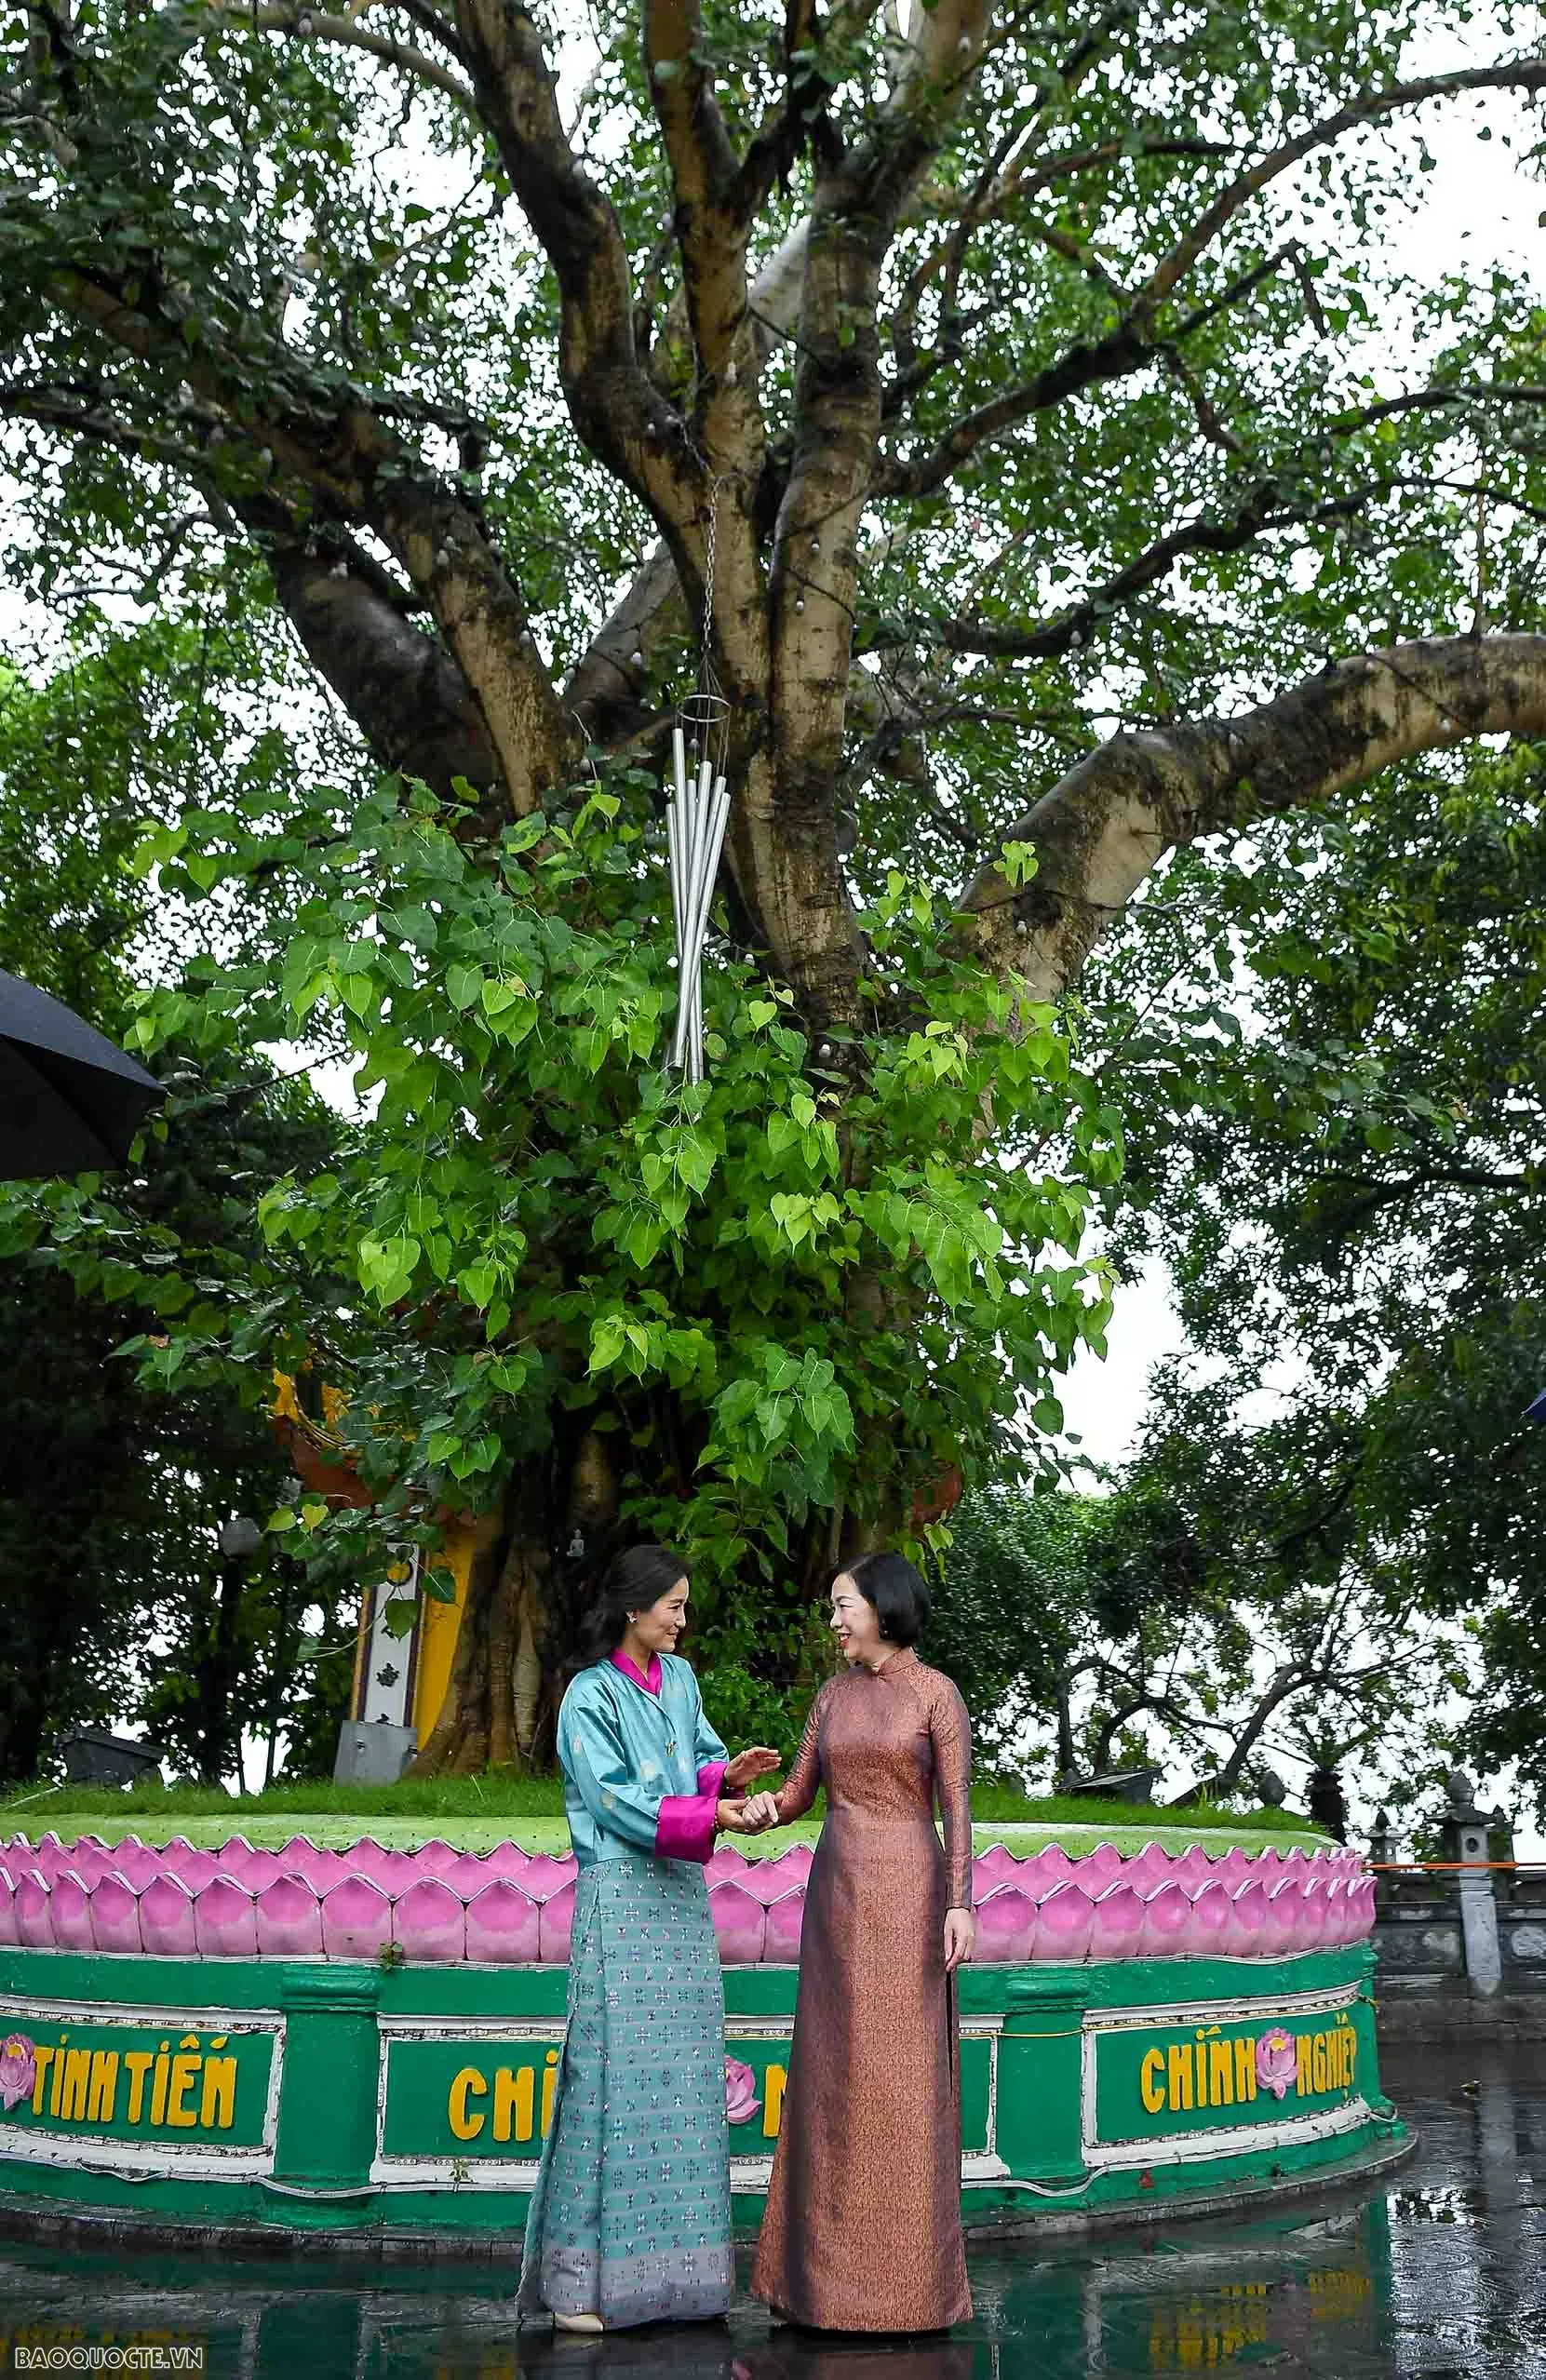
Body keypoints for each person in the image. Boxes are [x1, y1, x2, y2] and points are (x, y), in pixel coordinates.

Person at [518, 1543, 780, 2333]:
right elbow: (614, 1802)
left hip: (679, 1897)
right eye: (672, 1605)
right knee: (610, 2081)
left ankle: (682, 2284)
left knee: (682, 2080)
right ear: (633, 1607)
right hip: (620, 1898)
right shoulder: (586, 1697)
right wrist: (715, 1815)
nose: (682, 1618)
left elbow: (694, 1760)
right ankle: (581, 2290)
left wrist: (728, 1778)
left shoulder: (683, 1679)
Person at [746, 1551, 975, 2333]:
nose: (835, 1621)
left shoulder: (935, 1693)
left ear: (884, 1606)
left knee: (902, 2078)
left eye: (844, 1605)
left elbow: (957, 1811)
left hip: (910, 1894)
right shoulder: (831, 1695)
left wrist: (959, 1903)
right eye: (833, 1607)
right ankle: (811, 2286)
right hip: (837, 1895)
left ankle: (910, 2292)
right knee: (831, 2073)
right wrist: (743, 1808)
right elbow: (798, 1794)